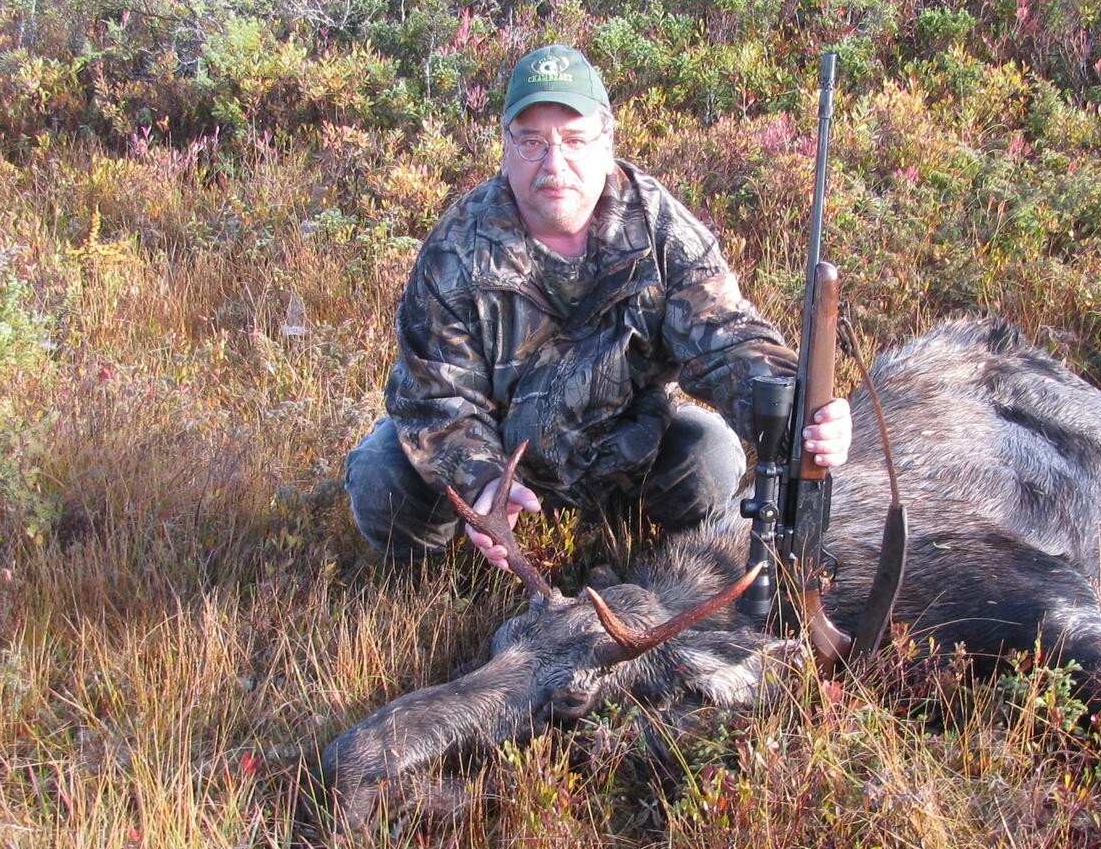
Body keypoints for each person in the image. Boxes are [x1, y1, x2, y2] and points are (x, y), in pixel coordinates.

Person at [345, 43, 851, 568]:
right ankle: (435, 584)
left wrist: (803, 416)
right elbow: (434, 394)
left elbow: (728, 341)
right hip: (499, 459)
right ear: (505, 147)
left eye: (575, 140)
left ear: (607, 143)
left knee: (710, 456)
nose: (554, 164)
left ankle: (656, 561)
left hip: (624, 455)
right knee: (381, 474)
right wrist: (482, 478)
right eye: (532, 143)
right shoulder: (456, 247)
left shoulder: (661, 229)